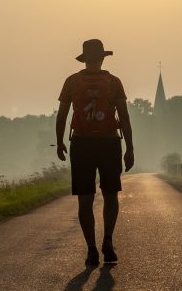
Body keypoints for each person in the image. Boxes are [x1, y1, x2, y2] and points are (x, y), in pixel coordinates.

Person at [56, 39, 134, 266]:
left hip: (81, 144)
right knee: (110, 195)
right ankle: (108, 240)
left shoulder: (72, 81)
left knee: (85, 199)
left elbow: (62, 116)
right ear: (102, 58)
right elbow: (125, 117)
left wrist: (59, 142)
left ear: (84, 58)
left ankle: (91, 249)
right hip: (109, 143)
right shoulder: (113, 82)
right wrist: (129, 147)